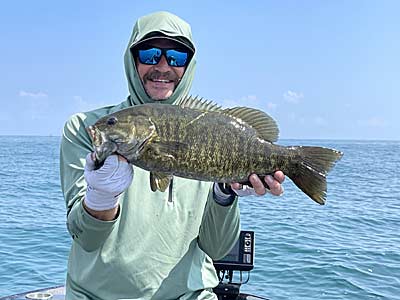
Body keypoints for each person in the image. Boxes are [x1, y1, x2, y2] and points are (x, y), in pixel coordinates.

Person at [60, 11, 285, 300]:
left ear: (188, 66)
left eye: (177, 58)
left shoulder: (208, 127)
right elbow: (86, 239)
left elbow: (217, 249)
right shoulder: (85, 129)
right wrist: (100, 197)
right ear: (132, 59)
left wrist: (224, 193)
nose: (163, 67)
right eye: (150, 54)